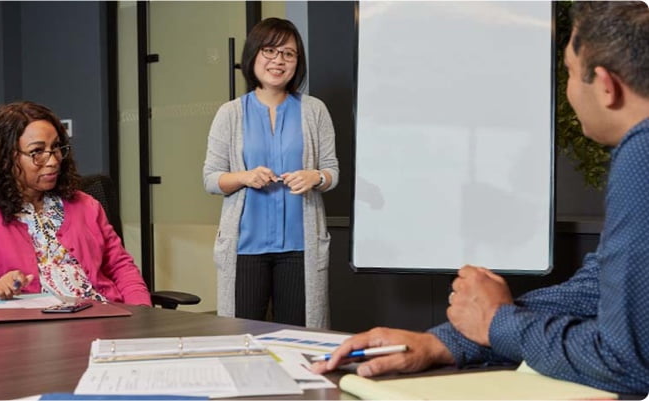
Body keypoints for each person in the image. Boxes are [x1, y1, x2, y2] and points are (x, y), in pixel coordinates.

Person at [313, 1, 649, 394]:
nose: (568, 93)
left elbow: (623, 361)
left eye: (570, 75)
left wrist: (498, 323)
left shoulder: (640, 153)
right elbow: (597, 287)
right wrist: (445, 341)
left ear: (606, 86)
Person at [203, 17, 339, 328]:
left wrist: (315, 177)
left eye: (288, 54)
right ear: (253, 56)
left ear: (297, 62)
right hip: (244, 248)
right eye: (270, 51)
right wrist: (244, 177)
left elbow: (332, 171)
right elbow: (211, 178)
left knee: (302, 339)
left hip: (300, 247)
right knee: (241, 335)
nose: (278, 60)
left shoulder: (314, 110)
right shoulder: (230, 113)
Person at [0, 101, 151, 306]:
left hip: (103, 317)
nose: (53, 161)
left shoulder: (86, 205)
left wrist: (142, 314)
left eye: (56, 148)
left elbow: (121, 267)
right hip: (28, 327)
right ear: (7, 156)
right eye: (37, 152)